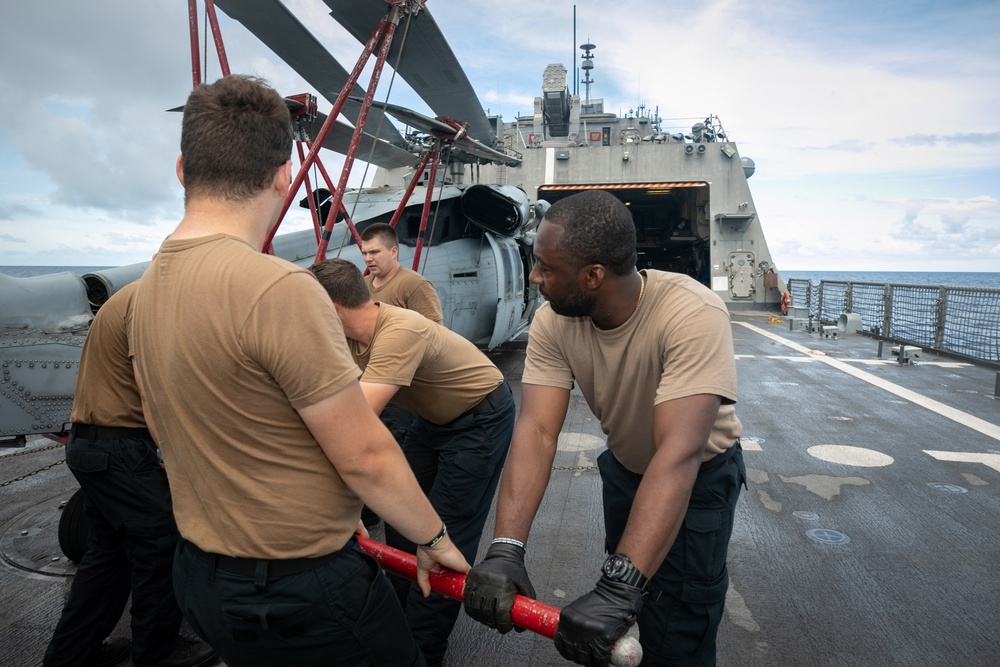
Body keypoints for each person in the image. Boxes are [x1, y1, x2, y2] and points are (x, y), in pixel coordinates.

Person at [130, 74, 468, 667]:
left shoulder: (147, 285)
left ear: (182, 169)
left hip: (202, 578)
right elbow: (362, 453)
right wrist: (432, 538)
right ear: (284, 176)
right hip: (296, 595)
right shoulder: (280, 287)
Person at [462, 190, 747, 667]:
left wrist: (621, 585)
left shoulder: (692, 313)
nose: (534, 278)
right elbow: (536, 431)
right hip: (625, 471)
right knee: (622, 619)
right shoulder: (554, 320)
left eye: (546, 268)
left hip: (697, 480)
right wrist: (505, 549)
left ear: (593, 276)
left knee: (677, 625)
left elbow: (679, 451)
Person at [309, 258, 515, 667]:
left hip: (480, 418)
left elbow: (353, 421)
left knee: (442, 537)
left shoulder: (399, 329)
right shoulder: (346, 338)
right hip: (432, 419)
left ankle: (423, 653)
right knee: (404, 521)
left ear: (329, 307)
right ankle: (398, 630)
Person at [44, 281, 217, 667]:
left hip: (93, 445)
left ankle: (73, 655)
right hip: (120, 448)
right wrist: (175, 452)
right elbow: (148, 387)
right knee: (161, 546)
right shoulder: (151, 299)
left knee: (108, 557)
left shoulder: (132, 295)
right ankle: (158, 652)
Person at [361, 223, 444, 325]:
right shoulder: (363, 284)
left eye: (374, 252)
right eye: (364, 253)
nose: (367, 259)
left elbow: (436, 332)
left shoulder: (414, 284)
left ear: (394, 252)